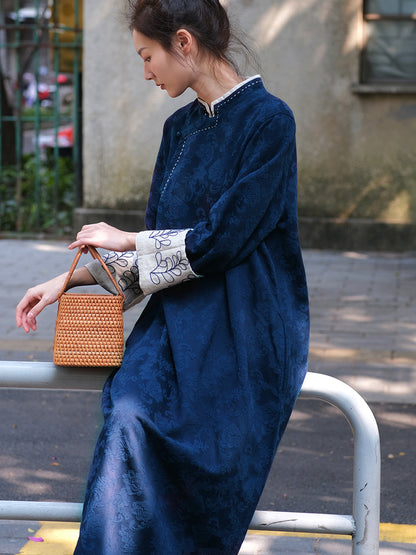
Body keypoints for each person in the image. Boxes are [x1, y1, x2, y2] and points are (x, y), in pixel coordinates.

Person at [16, 1, 309, 553]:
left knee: (191, 451)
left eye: (147, 55)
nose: (145, 71)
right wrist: (68, 281)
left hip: (245, 328)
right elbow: (163, 254)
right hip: (176, 325)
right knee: (128, 416)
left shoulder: (271, 122)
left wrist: (125, 239)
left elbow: (223, 238)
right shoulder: (179, 130)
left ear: (183, 42)